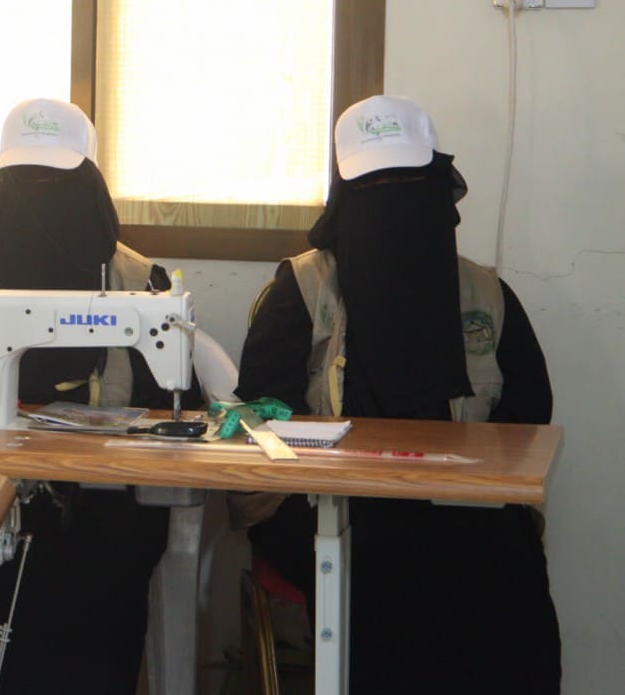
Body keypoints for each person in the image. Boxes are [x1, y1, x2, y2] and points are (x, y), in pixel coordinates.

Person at [235, 94, 561, 693]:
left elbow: (527, 420)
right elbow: (259, 413)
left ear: (437, 187)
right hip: (327, 501)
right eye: (371, 187)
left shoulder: (485, 296)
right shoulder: (303, 290)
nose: (391, 206)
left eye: (406, 184)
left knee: (509, 579)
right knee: (381, 573)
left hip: (459, 502)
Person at [0, 98, 197, 695]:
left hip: (103, 503)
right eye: (25, 182)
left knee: (101, 562)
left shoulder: (138, 280)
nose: (38, 202)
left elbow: (178, 404)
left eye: (55, 183)